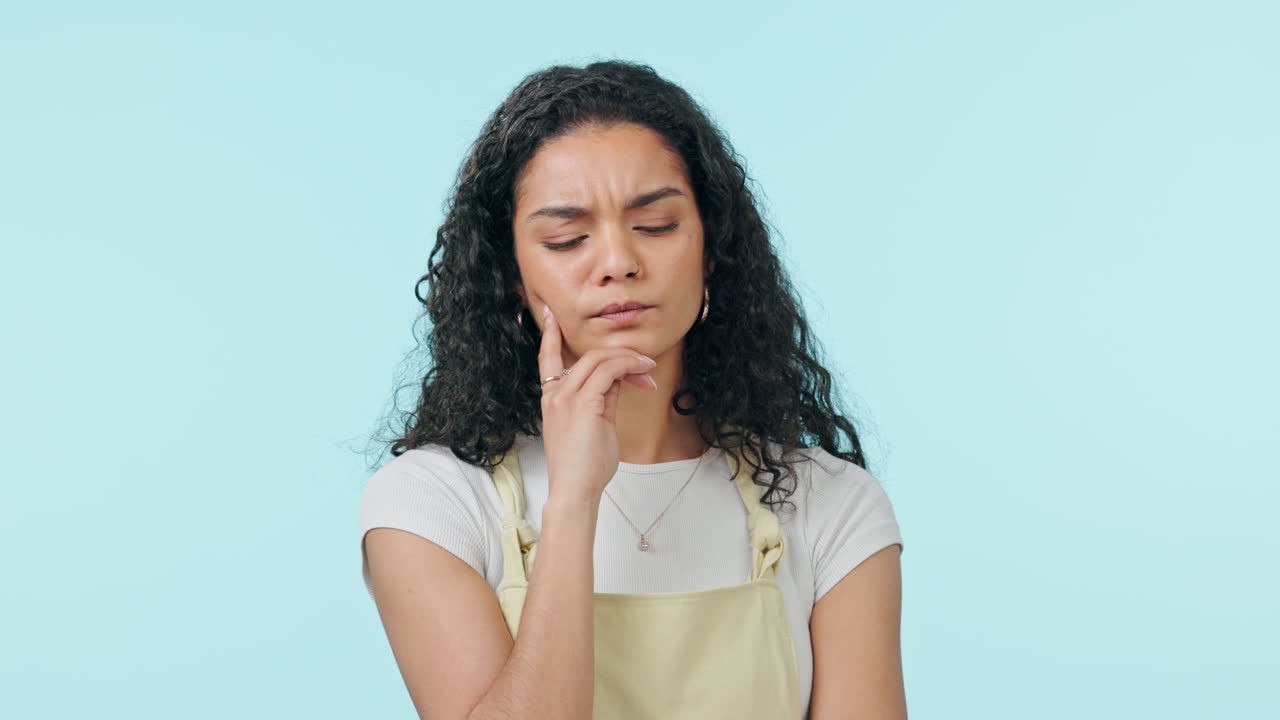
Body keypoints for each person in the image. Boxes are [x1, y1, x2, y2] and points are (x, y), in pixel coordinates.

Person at [359, 59, 906, 720]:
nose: (618, 262)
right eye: (567, 239)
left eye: (655, 226)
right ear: (509, 275)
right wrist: (573, 500)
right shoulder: (432, 501)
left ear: (711, 250)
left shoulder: (830, 504)